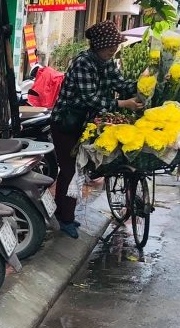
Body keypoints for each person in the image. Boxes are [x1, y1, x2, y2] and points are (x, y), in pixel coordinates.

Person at [51, 20, 142, 239]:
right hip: (67, 124)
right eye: (110, 45)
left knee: (79, 170)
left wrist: (146, 84)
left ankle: (61, 212)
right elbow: (90, 99)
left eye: (116, 45)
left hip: (88, 125)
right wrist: (124, 104)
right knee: (70, 170)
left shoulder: (107, 63)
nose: (114, 49)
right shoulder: (83, 62)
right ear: (99, 44)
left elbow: (122, 85)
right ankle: (64, 218)